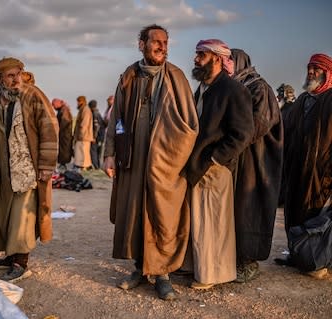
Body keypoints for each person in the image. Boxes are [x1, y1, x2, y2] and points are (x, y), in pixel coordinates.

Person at [103, 24, 199, 300]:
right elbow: (118, 119)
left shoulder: (177, 78)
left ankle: (162, 274)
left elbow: (190, 125)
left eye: (165, 42)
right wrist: (111, 152)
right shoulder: (129, 77)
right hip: (133, 158)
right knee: (134, 213)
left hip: (167, 162)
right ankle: (140, 268)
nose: (161, 46)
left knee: (163, 215)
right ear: (141, 44)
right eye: (155, 41)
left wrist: (171, 151)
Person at [182, 39, 254, 290]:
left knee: (213, 223)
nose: (196, 58)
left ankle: (212, 275)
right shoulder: (204, 88)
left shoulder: (233, 89)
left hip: (215, 167)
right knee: (199, 221)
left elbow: (244, 132)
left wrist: (215, 158)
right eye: (196, 54)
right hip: (197, 165)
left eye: (200, 54)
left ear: (216, 58)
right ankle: (197, 267)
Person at [0, 57, 58, 282]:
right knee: (4, 212)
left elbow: (49, 128)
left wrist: (46, 166)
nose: (16, 79)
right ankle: (10, 255)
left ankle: (20, 263)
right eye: (10, 75)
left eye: (18, 73)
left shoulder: (32, 95)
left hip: (26, 169)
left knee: (22, 216)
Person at [230, 48, 283, 283]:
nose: (225, 65)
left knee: (250, 208)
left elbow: (257, 124)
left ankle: (249, 262)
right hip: (240, 157)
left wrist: (229, 142)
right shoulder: (238, 86)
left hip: (257, 160)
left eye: (229, 61)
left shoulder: (259, 87)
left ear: (240, 62)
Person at [278, 53, 332, 279]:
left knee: (316, 218)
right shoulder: (301, 100)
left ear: (327, 73)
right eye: (310, 68)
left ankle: (318, 262)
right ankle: (296, 254)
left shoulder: (330, 99)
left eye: (316, 69)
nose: (311, 72)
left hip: (322, 174)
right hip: (297, 169)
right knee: (294, 213)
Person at [51, 98, 73, 171]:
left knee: (65, 149)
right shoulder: (63, 109)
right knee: (62, 149)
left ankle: (63, 163)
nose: (53, 107)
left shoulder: (64, 110)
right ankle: (62, 163)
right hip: (63, 134)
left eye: (54, 105)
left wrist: (58, 129)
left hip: (65, 134)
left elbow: (65, 121)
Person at [73, 96, 93, 171]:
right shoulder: (83, 109)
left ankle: (83, 166)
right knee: (81, 151)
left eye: (78, 101)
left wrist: (81, 134)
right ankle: (81, 165)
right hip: (82, 135)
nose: (77, 103)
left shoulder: (85, 110)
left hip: (84, 136)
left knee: (83, 151)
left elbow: (84, 124)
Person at [89, 99, 105, 169]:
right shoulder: (98, 113)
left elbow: (96, 126)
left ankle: (96, 166)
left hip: (97, 137)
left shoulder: (94, 114)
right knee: (99, 152)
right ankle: (98, 166)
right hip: (101, 136)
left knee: (94, 151)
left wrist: (94, 137)